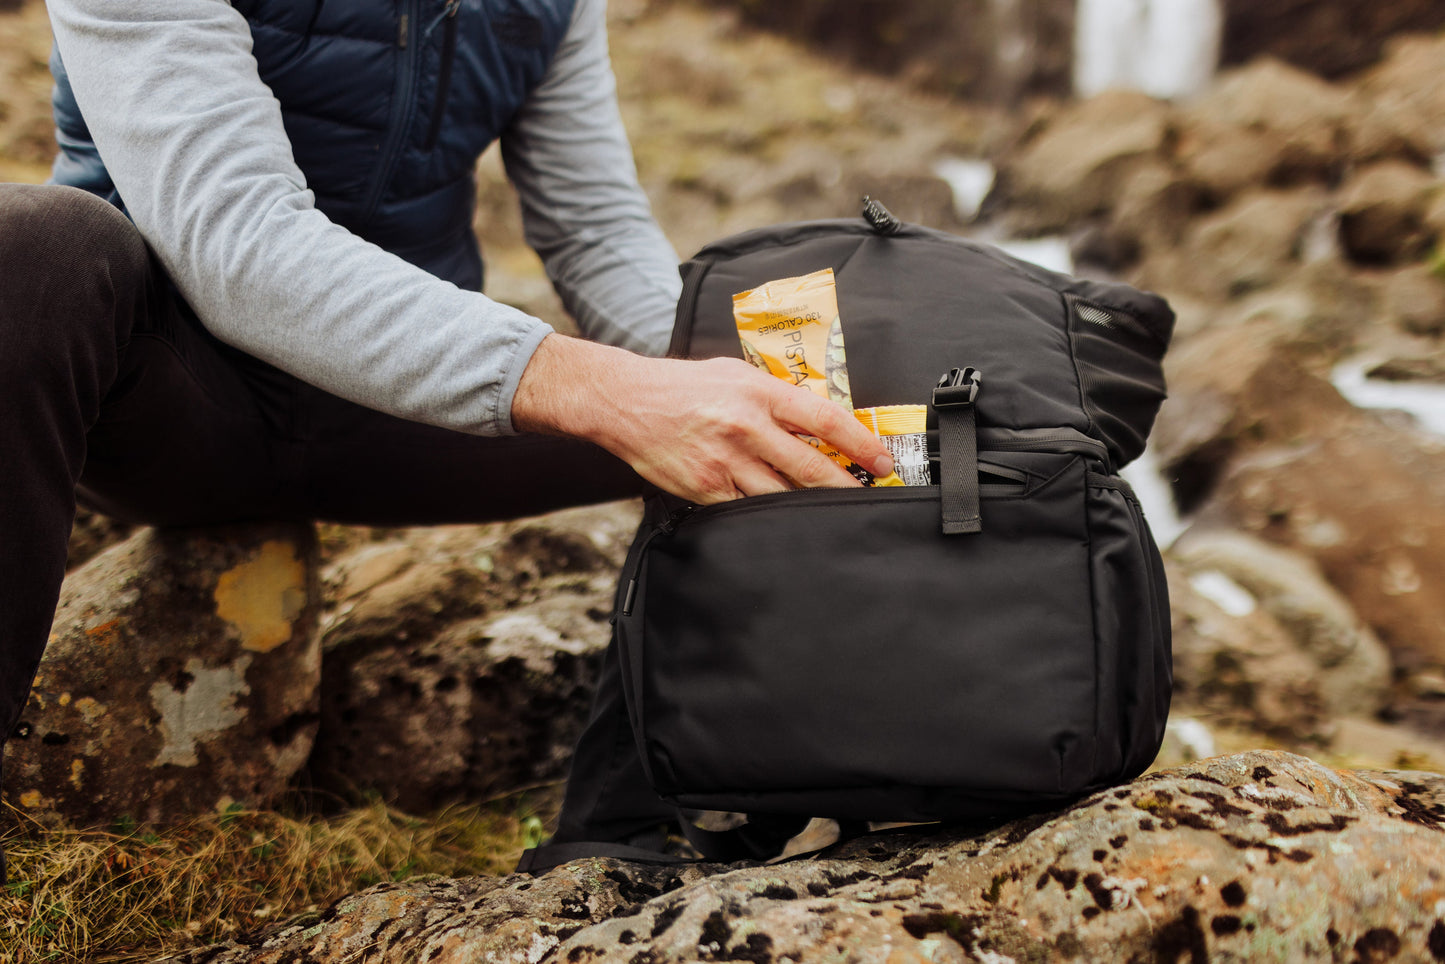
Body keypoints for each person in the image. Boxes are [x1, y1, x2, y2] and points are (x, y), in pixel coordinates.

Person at [0, 0, 893, 880]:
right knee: (33, 249)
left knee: (757, 413)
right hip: (167, 404)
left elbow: (593, 231)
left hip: (395, 411)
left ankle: (634, 822)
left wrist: (730, 391)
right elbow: (234, 241)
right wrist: (605, 390)